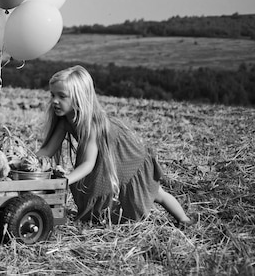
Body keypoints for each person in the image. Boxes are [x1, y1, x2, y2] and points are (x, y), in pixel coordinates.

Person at [36, 65, 193, 227]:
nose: (54, 101)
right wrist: (29, 163)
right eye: (52, 95)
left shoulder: (93, 125)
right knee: (104, 189)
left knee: (156, 193)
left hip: (126, 156)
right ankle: (106, 217)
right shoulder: (64, 121)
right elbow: (47, 150)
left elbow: (88, 164)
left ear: (79, 97)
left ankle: (184, 219)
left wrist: (66, 180)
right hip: (106, 156)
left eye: (62, 96)